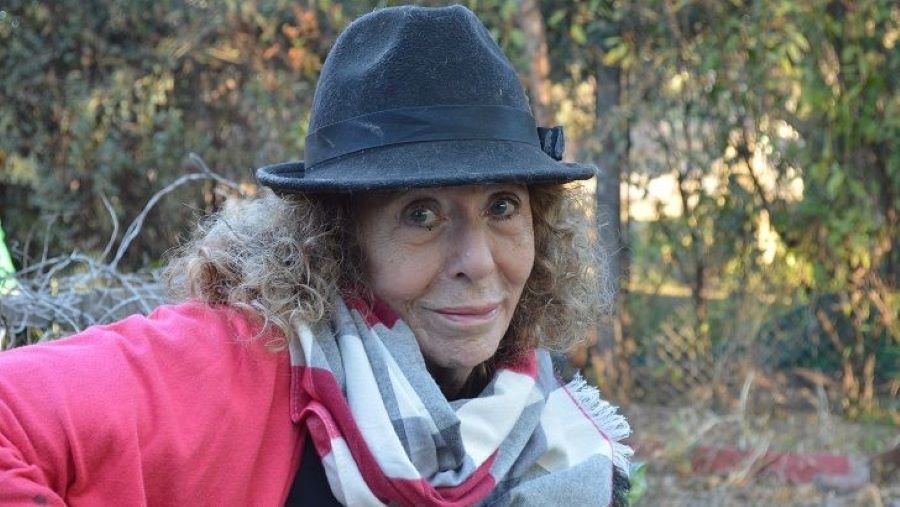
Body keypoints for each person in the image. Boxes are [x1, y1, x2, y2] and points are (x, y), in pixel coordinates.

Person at [0, 5, 631, 506]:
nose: (480, 262)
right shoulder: (241, 361)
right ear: (336, 238)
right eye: (421, 214)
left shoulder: (541, 408)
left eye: (502, 206)